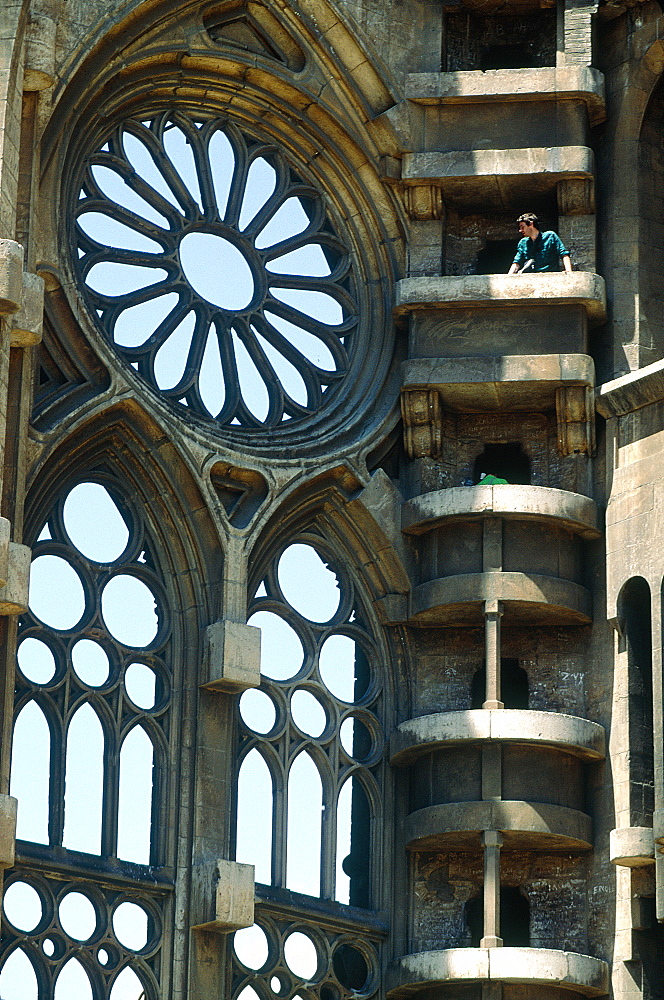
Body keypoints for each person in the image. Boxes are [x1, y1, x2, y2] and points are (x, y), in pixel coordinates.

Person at [508, 213, 572, 274]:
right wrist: (509, 276)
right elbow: (517, 262)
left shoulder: (550, 236)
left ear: (531, 224)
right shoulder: (523, 242)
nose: (520, 230)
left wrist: (568, 271)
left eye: (522, 227)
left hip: (550, 277)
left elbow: (564, 254)